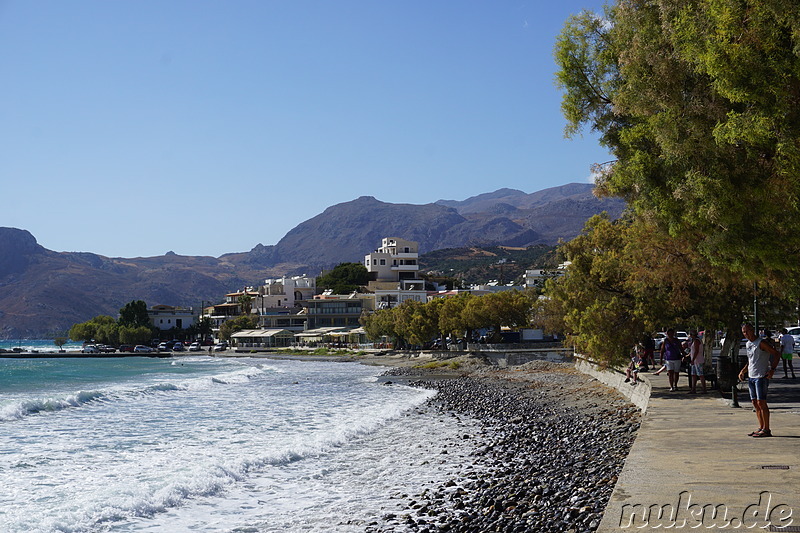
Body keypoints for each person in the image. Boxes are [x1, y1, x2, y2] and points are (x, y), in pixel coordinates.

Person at [738, 323, 782, 438]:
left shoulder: (761, 343)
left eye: (747, 331)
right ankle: (761, 427)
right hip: (751, 376)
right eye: (744, 332)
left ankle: (767, 429)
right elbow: (750, 360)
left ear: (752, 331)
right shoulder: (748, 344)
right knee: (755, 403)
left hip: (761, 376)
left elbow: (776, 354)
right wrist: (743, 371)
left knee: (761, 402)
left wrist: (772, 369)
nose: (746, 334)